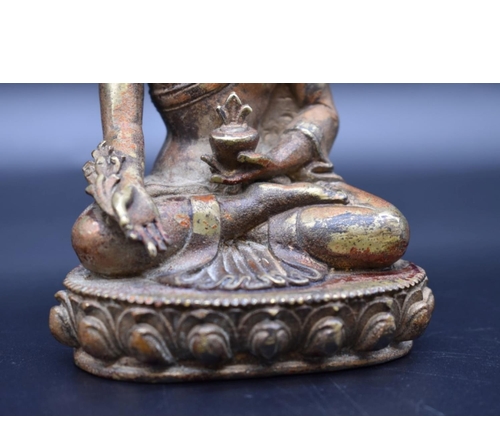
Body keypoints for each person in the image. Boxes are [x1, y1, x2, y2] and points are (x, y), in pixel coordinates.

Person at [72, 83, 409, 290]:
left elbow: (319, 106)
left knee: (387, 227)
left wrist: (278, 158)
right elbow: (123, 130)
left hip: (269, 176)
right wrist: (129, 185)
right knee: (95, 237)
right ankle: (253, 208)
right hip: (179, 188)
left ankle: (247, 214)